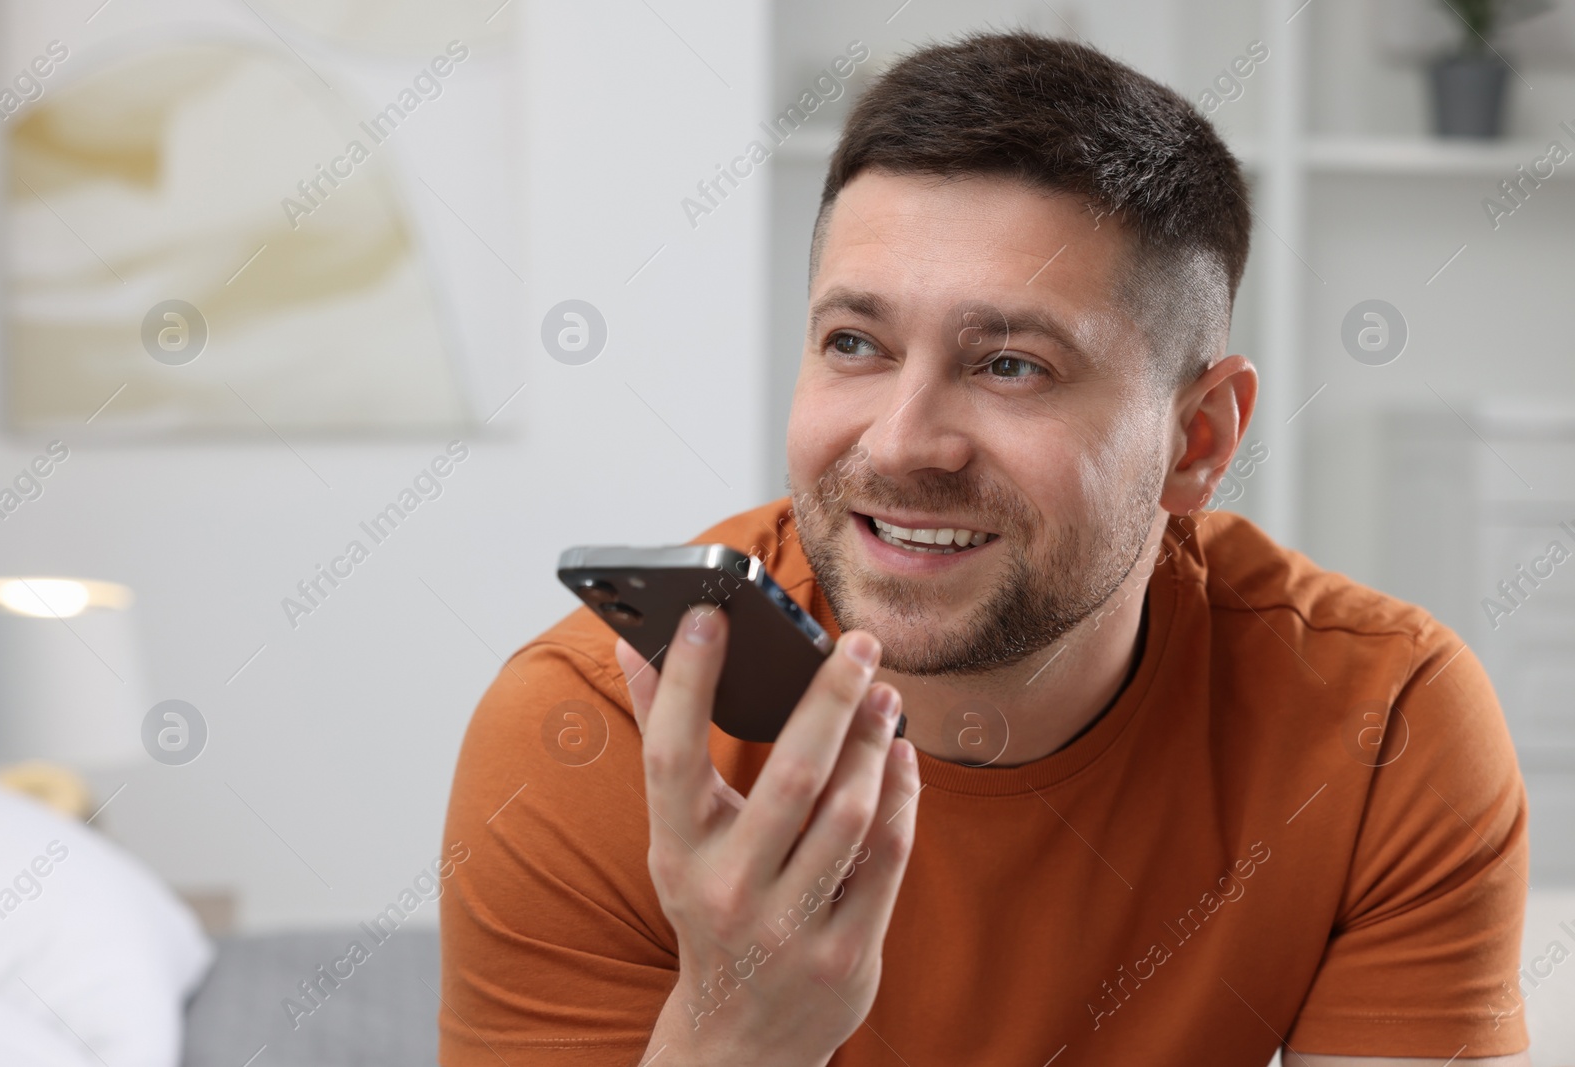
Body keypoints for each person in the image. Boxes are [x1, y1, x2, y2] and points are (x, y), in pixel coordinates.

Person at [438, 32, 1529, 1067]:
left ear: (1196, 442)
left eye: (1011, 363)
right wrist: (737, 1040)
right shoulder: (586, 734)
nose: (903, 440)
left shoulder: (1384, 723)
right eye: (854, 343)